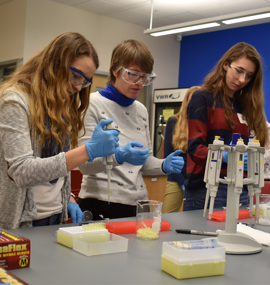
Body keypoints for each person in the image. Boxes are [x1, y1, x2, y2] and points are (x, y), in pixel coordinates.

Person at [0, 32, 120, 229]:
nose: (78, 86)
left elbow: (56, 164)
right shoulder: (15, 102)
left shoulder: (60, 105)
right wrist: (87, 151)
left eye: (85, 81)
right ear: (54, 63)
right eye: (75, 76)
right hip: (23, 222)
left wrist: (69, 198)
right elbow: (22, 171)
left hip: (57, 216)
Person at [78, 39, 184, 220]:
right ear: (115, 70)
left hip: (137, 204)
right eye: (133, 74)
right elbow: (84, 165)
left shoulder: (141, 110)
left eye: (145, 77)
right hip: (100, 202)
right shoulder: (91, 104)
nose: (139, 82)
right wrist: (118, 156)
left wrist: (163, 165)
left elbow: (144, 161)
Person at [184, 42, 269, 211]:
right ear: (225, 65)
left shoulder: (245, 106)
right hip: (206, 188)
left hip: (241, 188)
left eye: (249, 75)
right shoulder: (202, 98)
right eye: (239, 70)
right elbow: (194, 148)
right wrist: (222, 157)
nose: (242, 79)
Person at [163, 86, 199, 213]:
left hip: (197, 181)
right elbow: (168, 156)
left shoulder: (203, 123)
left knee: (195, 217)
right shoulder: (174, 121)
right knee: (167, 216)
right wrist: (182, 183)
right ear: (187, 100)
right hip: (177, 179)